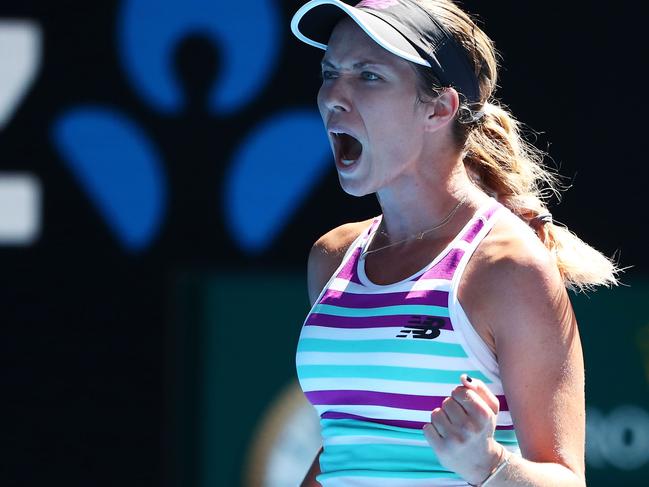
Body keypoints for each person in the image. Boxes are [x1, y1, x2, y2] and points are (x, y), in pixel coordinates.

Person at [289, 0, 620, 485]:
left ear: (440, 107)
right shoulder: (331, 257)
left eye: (368, 76)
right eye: (330, 72)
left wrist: (487, 464)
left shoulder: (507, 267)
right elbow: (347, 449)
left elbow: (566, 479)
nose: (333, 96)